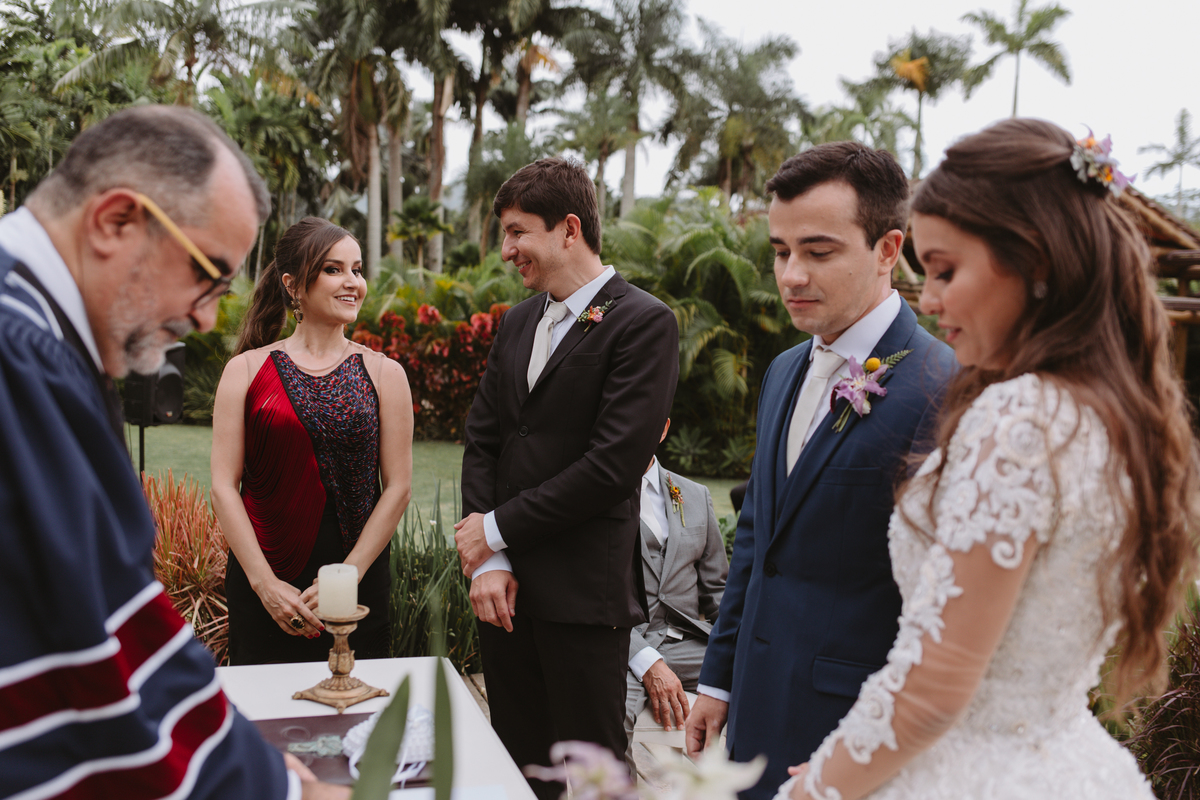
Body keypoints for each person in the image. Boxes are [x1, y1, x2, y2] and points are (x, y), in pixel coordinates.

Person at [777, 119, 1200, 800]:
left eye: (946, 269)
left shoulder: (1021, 420)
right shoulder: (1112, 416)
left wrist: (816, 788)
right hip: (1068, 764)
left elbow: (937, 682)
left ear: (1034, 262)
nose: (930, 297)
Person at [0, 106, 348, 798]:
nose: (207, 316)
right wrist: (278, 788)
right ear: (115, 222)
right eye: (208, 276)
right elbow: (84, 660)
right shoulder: (20, 357)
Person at [685, 141, 958, 799]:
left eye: (819, 251)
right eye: (780, 252)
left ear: (889, 250)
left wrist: (876, 747)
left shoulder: (941, 388)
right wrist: (719, 679)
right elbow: (756, 540)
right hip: (752, 707)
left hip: (853, 728)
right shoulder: (784, 371)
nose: (791, 275)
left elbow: (947, 604)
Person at [456, 157, 679, 798]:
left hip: (584, 598)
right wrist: (489, 559)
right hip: (504, 597)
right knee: (520, 769)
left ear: (569, 229)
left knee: (596, 778)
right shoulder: (518, 321)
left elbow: (610, 467)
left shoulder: (643, 323)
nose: (507, 250)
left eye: (518, 232)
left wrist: (495, 527)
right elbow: (485, 441)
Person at [211, 218, 412, 665]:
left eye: (357, 270)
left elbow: (397, 487)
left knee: (356, 716)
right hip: (265, 581)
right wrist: (264, 585)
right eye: (334, 269)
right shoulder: (244, 371)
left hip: (355, 582)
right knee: (265, 717)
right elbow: (224, 486)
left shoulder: (385, 374)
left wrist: (348, 575)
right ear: (293, 285)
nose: (352, 283)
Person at [624, 419, 728, 769]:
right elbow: (584, 593)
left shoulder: (695, 495)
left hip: (690, 643)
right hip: (624, 645)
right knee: (612, 713)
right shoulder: (591, 495)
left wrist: (745, 646)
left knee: (766, 683)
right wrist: (645, 660)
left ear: (664, 428)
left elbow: (717, 591)